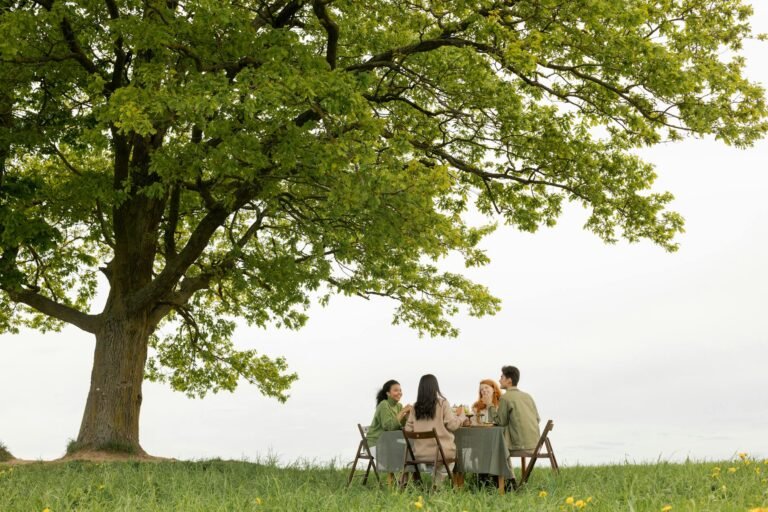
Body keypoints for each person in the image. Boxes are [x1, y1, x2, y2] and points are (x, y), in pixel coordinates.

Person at [405, 374, 466, 483]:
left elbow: (408, 430)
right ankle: (438, 484)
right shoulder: (443, 403)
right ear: (435, 387)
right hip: (442, 452)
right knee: (450, 459)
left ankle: (435, 481)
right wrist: (461, 418)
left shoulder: (415, 407)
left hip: (420, 453)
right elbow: (452, 426)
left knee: (434, 460)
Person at [487, 365, 541, 454]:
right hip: (535, 445)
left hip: (520, 446)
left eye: (502, 377)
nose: (499, 380)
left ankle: (500, 468)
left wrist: (490, 406)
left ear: (509, 380)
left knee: (490, 445)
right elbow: (537, 419)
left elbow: (500, 422)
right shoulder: (528, 396)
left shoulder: (505, 398)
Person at [366, 379, 412, 447]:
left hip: (389, 442)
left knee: (409, 449)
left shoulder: (399, 406)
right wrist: (403, 411)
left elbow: (399, 426)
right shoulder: (383, 405)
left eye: (400, 390)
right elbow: (389, 427)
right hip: (376, 443)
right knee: (404, 452)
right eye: (396, 390)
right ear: (388, 393)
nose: (399, 392)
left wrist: (407, 416)